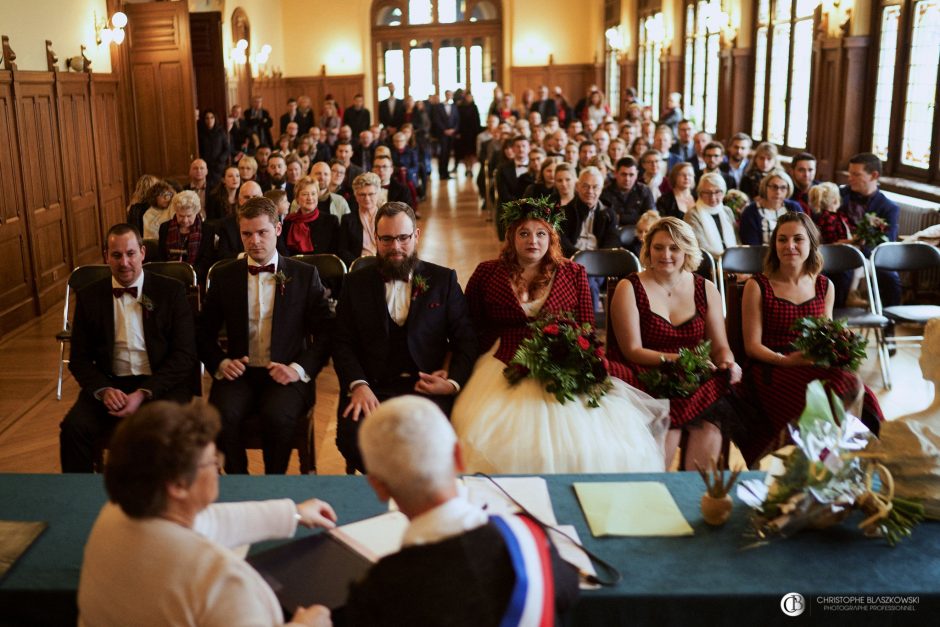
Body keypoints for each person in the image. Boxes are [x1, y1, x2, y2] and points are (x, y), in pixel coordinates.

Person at [451, 199, 668, 473]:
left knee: (586, 444)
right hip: (502, 362)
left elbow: (586, 329)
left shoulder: (574, 273)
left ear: (551, 237)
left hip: (561, 364)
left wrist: (586, 366)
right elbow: (471, 326)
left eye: (541, 233)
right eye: (524, 233)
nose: (533, 241)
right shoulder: (487, 273)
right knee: (492, 436)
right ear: (511, 236)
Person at [78, 400, 335, 627]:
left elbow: (210, 521)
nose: (218, 468)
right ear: (178, 485)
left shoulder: (112, 514)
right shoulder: (220, 580)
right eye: (212, 461)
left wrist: (293, 513)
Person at [342, 395, 578, 626]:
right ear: (458, 456)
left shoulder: (382, 587)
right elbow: (567, 590)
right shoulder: (528, 536)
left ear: (378, 487)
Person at [331, 202, 477, 473]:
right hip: (372, 386)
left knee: (433, 441)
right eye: (386, 239)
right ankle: (387, 489)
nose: (395, 247)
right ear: (376, 238)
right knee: (352, 439)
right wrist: (358, 384)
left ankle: (412, 493)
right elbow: (342, 342)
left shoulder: (443, 280)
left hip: (426, 387)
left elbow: (466, 339)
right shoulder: (355, 283)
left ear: (416, 236)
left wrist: (452, 383)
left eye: (403, 238)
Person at [196, 197, 332, 474]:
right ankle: (239, 484)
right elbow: (202, 331)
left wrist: (298, 369)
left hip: (285, 372)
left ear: (278, 229)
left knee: (277, 418)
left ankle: (273, 484)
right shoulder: (225, 276)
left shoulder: (304, 275)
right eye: (247, 234)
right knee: (220, 417)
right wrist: (221, 363)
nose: (254, 241)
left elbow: (327, 332)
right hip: (240, 372)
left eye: (262, 232)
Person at [739, 212, 884, 465]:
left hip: (811, 363)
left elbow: (825, 335)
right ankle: (826, 463)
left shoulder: (824, 285)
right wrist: (786, 361)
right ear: (774, 245)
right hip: (771, 368)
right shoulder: (758, 285)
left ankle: (861, 460)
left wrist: (841, 342)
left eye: (798, 239)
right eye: (782, 240)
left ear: (811, 244)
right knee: (831, 392)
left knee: (857, 388)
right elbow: (752, 347)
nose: (790, 246)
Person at [59, 225, 196, 473]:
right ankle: (80, 503)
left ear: (142, 253)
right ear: (105, 256)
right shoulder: (90, 296)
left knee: (164, 432)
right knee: (73, 429)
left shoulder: (171, 292)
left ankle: (164, 500)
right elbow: (78, 359)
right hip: (111, 384)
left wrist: (144, 392)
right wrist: (103, 390)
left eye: (131, 253)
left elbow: (184, 356)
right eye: (116, 255)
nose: (124, 262)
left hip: (161, 385)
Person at [608, 217, 742, 470]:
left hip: (694, 375)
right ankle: (654, 488)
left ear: (687, 251)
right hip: (645, 374)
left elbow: (720, 346)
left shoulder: (706, 288)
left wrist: (727, 361)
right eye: (658, 247)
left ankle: (693, 494)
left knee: (710, 427)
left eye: (674, 248)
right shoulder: (630, 287)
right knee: (669, 427)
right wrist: (680, 359)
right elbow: (632, 350)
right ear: (648, 249)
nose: (665, 254)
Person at [839, 152, 901, 308]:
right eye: (849, 173)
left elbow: (887, 241)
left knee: (890, 277)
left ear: (874, 175)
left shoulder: (889, 208)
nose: (849, 178)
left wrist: (861, 247)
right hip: (838, 251)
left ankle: (888, 321)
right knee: (840, 271)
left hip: (869, 255)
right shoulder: (840, 196)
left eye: (856, 174)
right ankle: (834, 320)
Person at [156, 191, 215, 282]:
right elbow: (161, 257)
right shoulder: (165, 228)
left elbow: (206, 261)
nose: (185, 220)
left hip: (196, 279)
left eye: (189, 216)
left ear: (196, 212)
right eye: (181, 216)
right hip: (169, 278)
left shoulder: (207, 230)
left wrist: (188, 275)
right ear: (176, 212)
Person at [739, 169, 803, 245]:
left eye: (783, 188)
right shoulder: (751, 211)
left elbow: (803, 236)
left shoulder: (794, 207)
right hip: (761, 255)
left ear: (788, 190)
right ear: (765, 188)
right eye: (774, 187)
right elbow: (751, 245)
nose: (778, 192)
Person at [684, 172, 738, 258]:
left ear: (724, 193)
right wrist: (727, 259)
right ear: (700, 194)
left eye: (717, 192)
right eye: (707, 192)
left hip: (734, 260)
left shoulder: (727, 211)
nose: (712, 197)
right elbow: (701, 247)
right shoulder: (692, 214)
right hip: (709, 263)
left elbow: (737, 240)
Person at [283, 177, 339, 255]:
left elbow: (335, 253)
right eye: (305, 194)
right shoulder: (288, 222)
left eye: (313, 194)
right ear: (297, 198)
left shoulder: (331, 221)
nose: (310, 198)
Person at [337, 172, 381, 266]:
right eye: (362, 194)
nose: (367, 198)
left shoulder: (388, 217)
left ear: (378, 194)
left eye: (371, 194)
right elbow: (342, 250)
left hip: (384, 264)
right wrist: (359, 264)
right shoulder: (348, 220)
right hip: (358, 266)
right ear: (356, 196)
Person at [601, 156, 655, 227]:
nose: (627, 179)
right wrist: (636, 217)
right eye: (623, 174)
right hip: (613, 231)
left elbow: (651, 218)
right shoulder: (606, 192)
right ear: (615, 173)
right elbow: (606, 218)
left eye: (631, 175)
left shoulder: (644, 190)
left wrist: (621, 218)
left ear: (637, 174)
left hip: (640, 232)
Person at [431, 90, 460, 180]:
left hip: (451, 134)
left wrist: (454, 129)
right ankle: (441, 173)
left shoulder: (454, 106)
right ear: (445, 95)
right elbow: (436, 119)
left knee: (448, 154)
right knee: (442, 154)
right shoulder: (439, 106)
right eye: (447, 94)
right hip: (442, 134)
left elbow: (457, 119)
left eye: (450, 95)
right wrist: (444, 130)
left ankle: (446, 173)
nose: (449, 96)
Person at [198, 110, 229, 188]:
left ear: (215, 119)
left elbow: (227, 148)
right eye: (207, 118)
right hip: (206, 167)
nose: (209, 120)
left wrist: (220, 160)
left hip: (218, 167)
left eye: (212, 118)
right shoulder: (200, 133)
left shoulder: (220, 131)